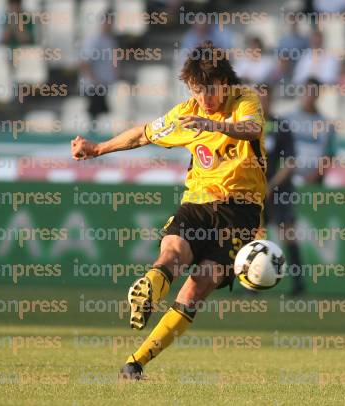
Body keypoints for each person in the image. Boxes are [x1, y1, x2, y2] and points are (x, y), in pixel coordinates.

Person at [70, 41, 266, 380]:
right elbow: (143, 135)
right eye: (196, 91)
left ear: (225, 81)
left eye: (209, 90)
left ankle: (136, 362)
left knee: (196, 287)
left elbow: (254, 129)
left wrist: (214, 126)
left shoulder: (244, 100)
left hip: (240, 211)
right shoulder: (186, 113)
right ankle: (146, 289)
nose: (203, 99)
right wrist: (98, 148)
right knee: (171, 255)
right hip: (197, 202)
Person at [258, 84, 304, 296]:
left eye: (265, 98)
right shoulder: (246, 127)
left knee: (287, 234)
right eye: (258, 98)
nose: (261, 102)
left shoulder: (280, 127)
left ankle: (298, 285)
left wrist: (271, 185)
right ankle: (253, 284)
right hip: (255, 192)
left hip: (279, 190)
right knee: (257, 236)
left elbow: (290, 162)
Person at [286, 78, 336, 186]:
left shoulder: (326, 124)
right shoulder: (287, 120)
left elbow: (329, 155)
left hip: (314, 181)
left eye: (313, 92)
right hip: (288, 179)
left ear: (318, 95)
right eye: (306, 91)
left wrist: (314, 176)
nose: (309, 96)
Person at [79, 13, 118, 120]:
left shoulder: (110, 41)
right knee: (94, 116)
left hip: (105, 86)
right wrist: (94, 80)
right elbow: (84, 62)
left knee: (104, 116)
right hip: (94, 87)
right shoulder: (93, 40)